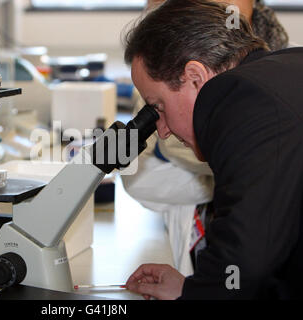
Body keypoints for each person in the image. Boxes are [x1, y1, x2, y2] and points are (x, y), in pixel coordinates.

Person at [123, 0, 303, 299]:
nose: (163, 130)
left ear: (196, 76)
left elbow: (246, 259)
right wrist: (191, 288)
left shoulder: (238, 96)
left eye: (159, 107)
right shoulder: (290, 64)